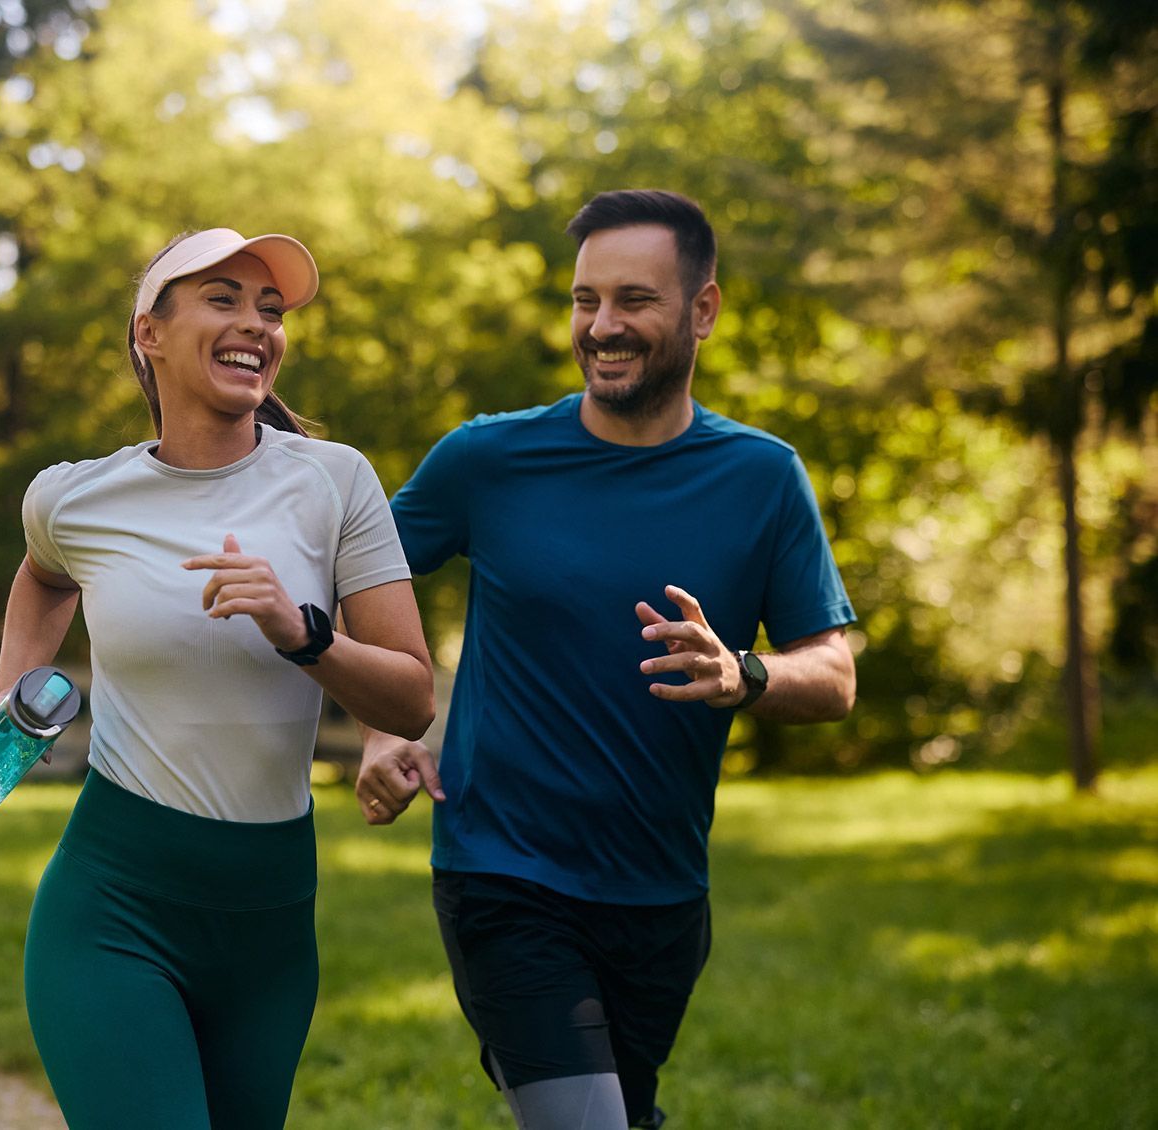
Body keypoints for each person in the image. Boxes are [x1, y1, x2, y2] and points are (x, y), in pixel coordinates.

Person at [355, 190, 857, 1130]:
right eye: (586, 301)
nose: (603, 326)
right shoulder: (488, 460)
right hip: (504, 874)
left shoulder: (762, 477)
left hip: (662, 893)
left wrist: (743, 674)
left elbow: (832, 675)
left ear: (703, 309)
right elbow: (355, 573)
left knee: (625, 1116)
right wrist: (384, 725)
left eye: (635, 300)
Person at [0, 227, 434, 1130]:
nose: (256, 323)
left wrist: (302, 632)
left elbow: (410, 695)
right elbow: (44, 573)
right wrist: (8, 688)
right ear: (150, 333)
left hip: (270, 921)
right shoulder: (74, 497)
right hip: (114, 907)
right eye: (223, 298)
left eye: (271, 309)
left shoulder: (336, 484)